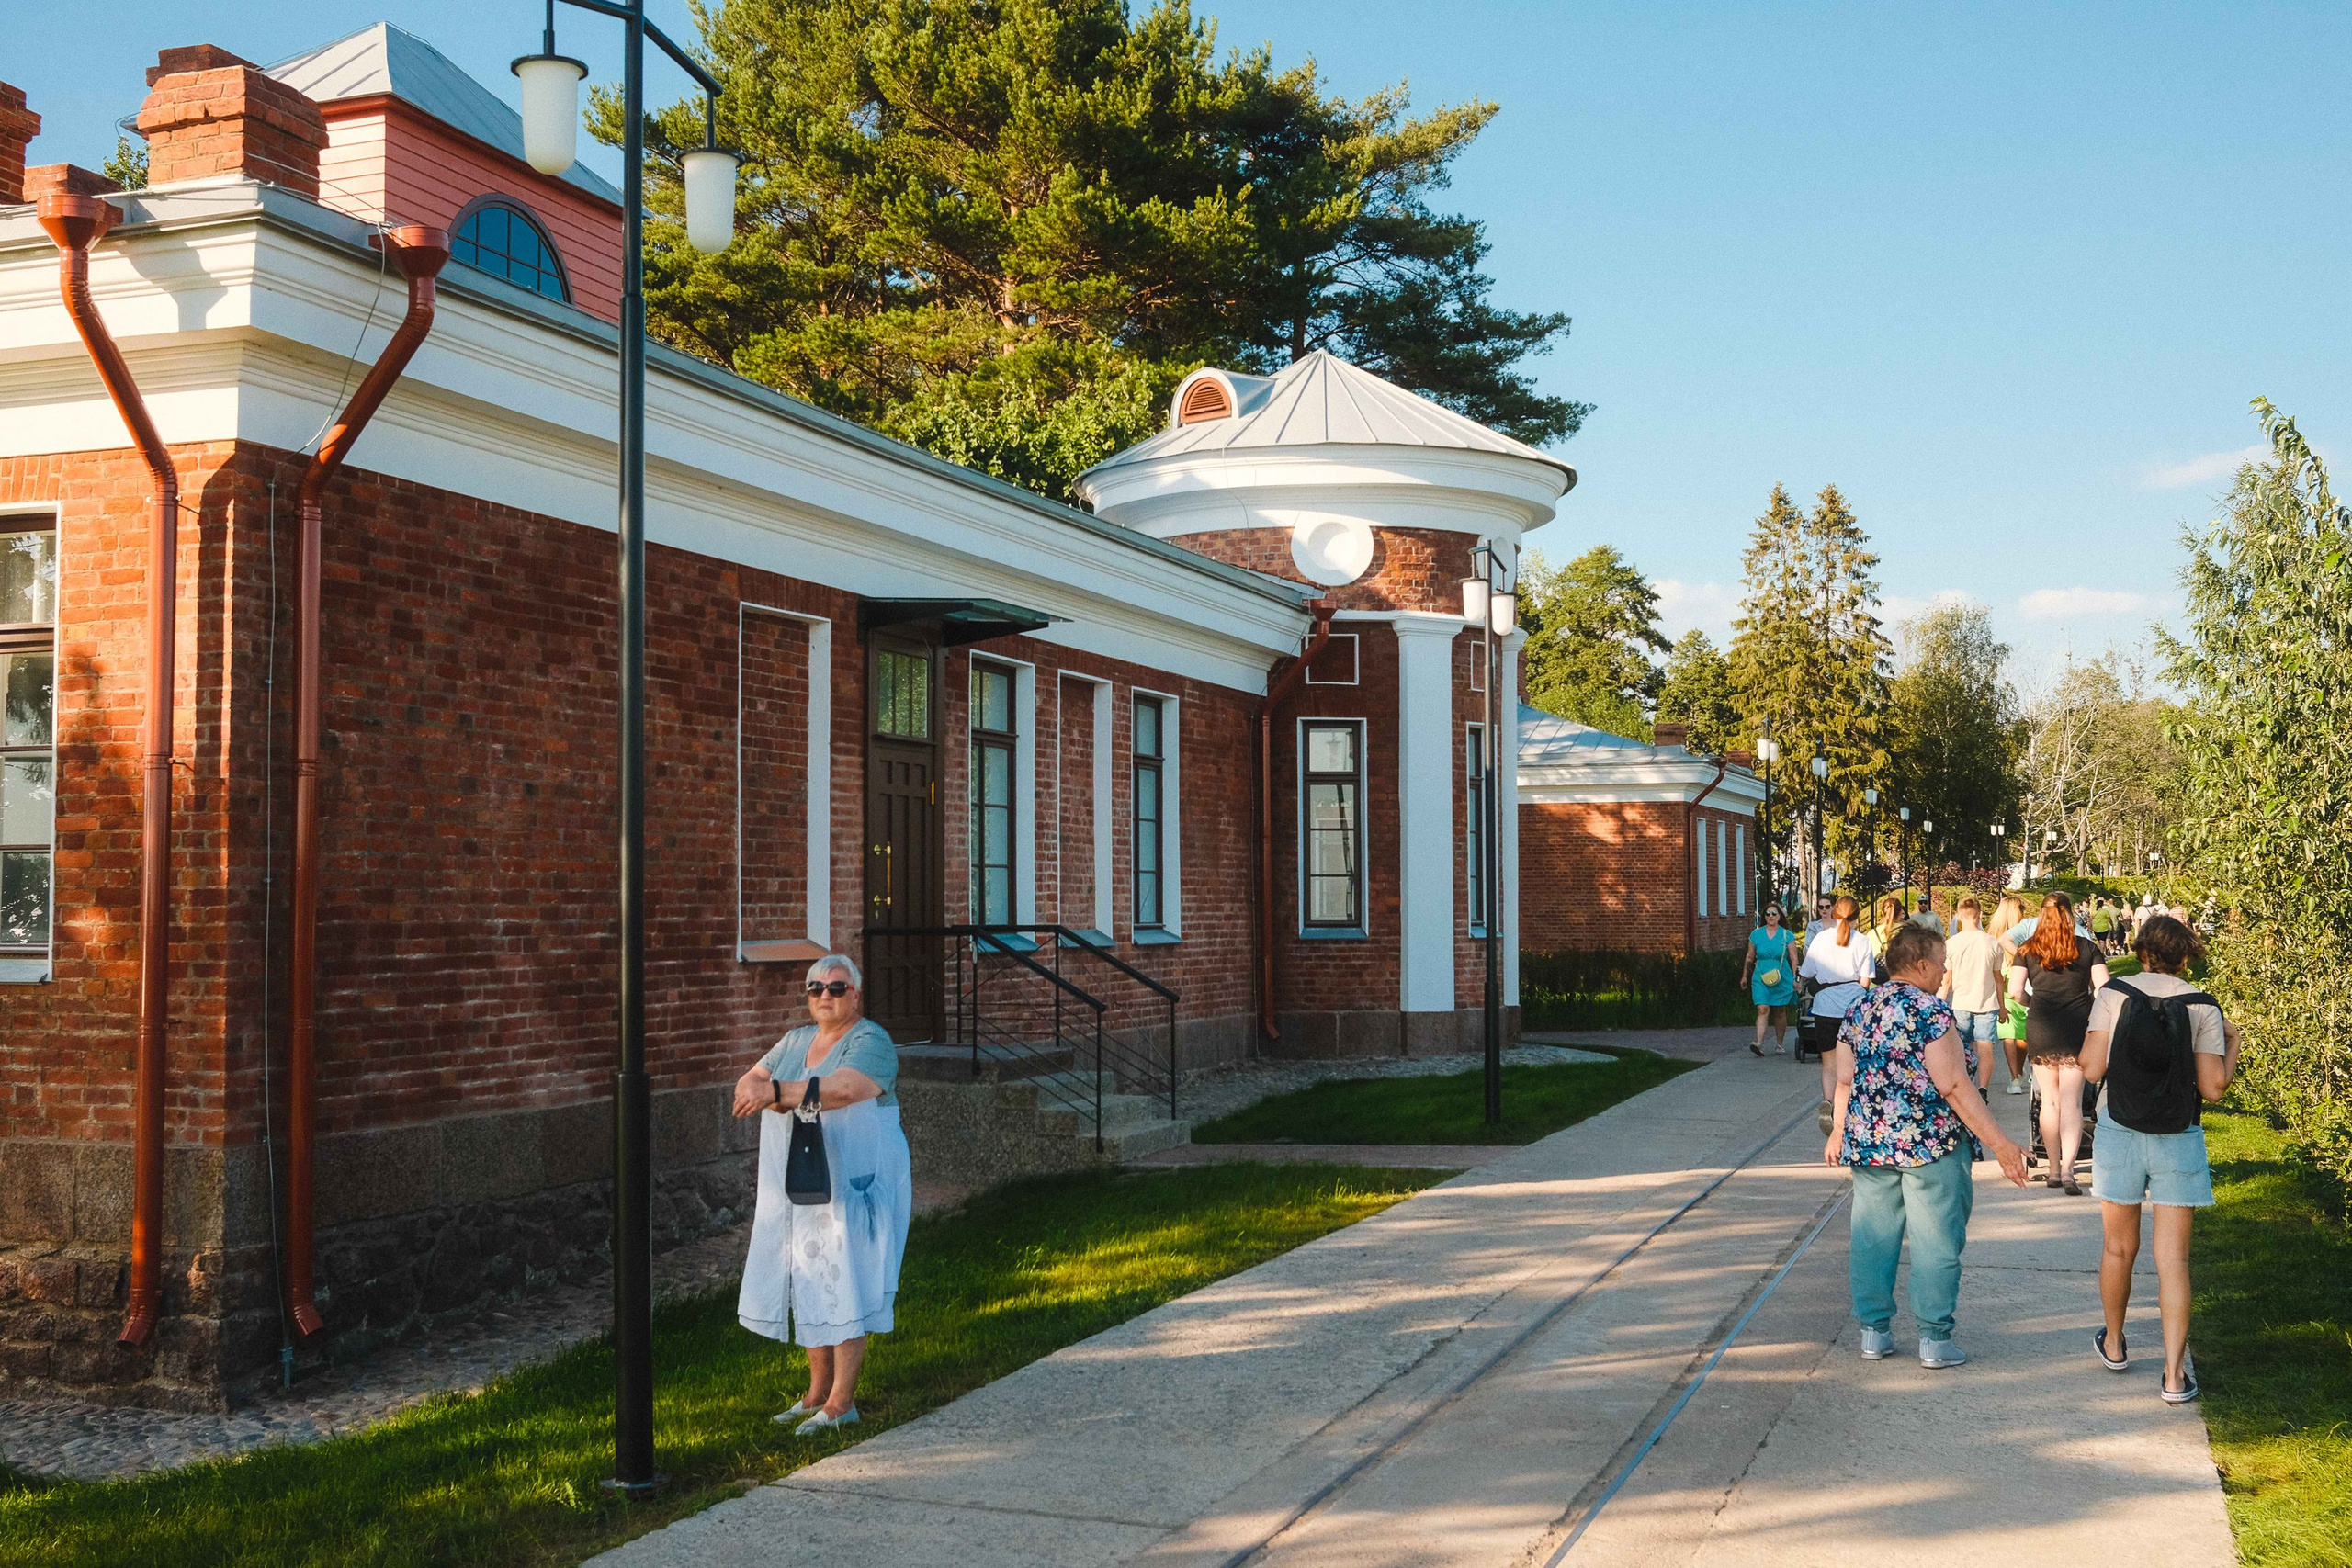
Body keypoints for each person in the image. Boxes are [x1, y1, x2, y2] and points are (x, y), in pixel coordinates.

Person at [1827, 922, 2030, 1369]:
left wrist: (1840, 1130)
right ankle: (1934, 1340)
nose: (1944, 971)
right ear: (1920, 965)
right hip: (1931, 1145)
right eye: (1941, 963)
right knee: (1936, 1241)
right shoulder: (1931, 1012)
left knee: (1872, 1239)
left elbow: (1843, 1078)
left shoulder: (1859, 1008)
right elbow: (1953, 1084)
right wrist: (2001, 1144)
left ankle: (1873, 1333)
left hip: (1871, 1144)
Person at [733, 954, 914, 1434]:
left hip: (858, 1181)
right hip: (807, 1174)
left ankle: (841, 1402)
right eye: (816, 988)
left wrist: (776, 1093)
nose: (825, 996)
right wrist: (763, 1088)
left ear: (856, 994)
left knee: (849, 1273)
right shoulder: (796, 1040)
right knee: (809, 1271)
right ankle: (815, 1393)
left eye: (836, 987)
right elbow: (751, 1079)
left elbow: (844, 1089)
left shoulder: (870, 1040)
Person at [2080, 914, 2238, 1403]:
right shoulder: (2202, 1004)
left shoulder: (2114, 994)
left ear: (2141, 951)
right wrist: (2233, 1043)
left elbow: (2091, 1069)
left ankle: (2114, 1343)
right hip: (2178, 1133)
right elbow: (2213, 1088)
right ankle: (2173, 1375)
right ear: (2185, 956)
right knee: (2173, 1259)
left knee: (2118, 1248)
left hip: (2119, 1129)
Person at [2007, 892, 2111, 1194]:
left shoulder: (2028, 948)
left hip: (2041, 1024)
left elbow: (2015, 990)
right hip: (2077, 1027)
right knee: (2072, 1102)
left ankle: (2053, 1169)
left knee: (2049, 1101)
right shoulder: (2087, 947)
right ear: (2069, 915)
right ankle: (2068, 1171)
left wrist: (2032, 1002)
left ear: (2042, 915)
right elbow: (2104, 987)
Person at [1800, 895, 1878, 1122]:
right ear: (1856, 916)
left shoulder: (1820, 939)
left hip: (1824, 1008)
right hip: (1852, 1009)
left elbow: (1807, 973)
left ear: (1834, 914)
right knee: (1851, 1061)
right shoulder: (1862, 941)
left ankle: (1828, 1101)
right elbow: (1865, 981)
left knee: (1829, 1063)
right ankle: (1846, 1108)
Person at [1939, 897, 2004, 1092]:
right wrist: (2002, 1006)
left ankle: (1965, 1086)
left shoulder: (1951, 944)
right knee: (1986, 1049)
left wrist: (1938, 1004)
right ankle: (1982, 1089)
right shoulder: (1992, 943)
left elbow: (1946, 980)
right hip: (1987, 1003)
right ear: (1980, 915)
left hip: (1961, 1002)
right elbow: (1999, 978)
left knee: (1962, 1049)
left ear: (1958, 916)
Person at [1743, 902, 1801, 1055]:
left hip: (1782, 976)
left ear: (1779, 916)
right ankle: (1759, 1043)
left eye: (1774, 913)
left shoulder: (1787, 935)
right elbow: (1749, 957)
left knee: (1780, 1010)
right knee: (1762, 1008)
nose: (1770, 916)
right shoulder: (1756, 935)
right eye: (1767, 914)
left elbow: (1794, 958)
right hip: (1761, 976)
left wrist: (1795, 978)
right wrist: (1744, 975)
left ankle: (1779, 1044)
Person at [1986, 895, 2030, 1094]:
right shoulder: (2021, 935)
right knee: (2018, 1032)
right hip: (2018, 982)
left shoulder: (1993, 937)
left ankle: (2015, 1076)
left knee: (2012, 1033)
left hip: (2003, 984)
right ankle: (2017, 1074)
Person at [1867, 894, 1905, 964]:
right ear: (1900, 913)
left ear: (1882, 913)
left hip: (1878, 969)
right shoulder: (1906, 931)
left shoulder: (1872, 934)